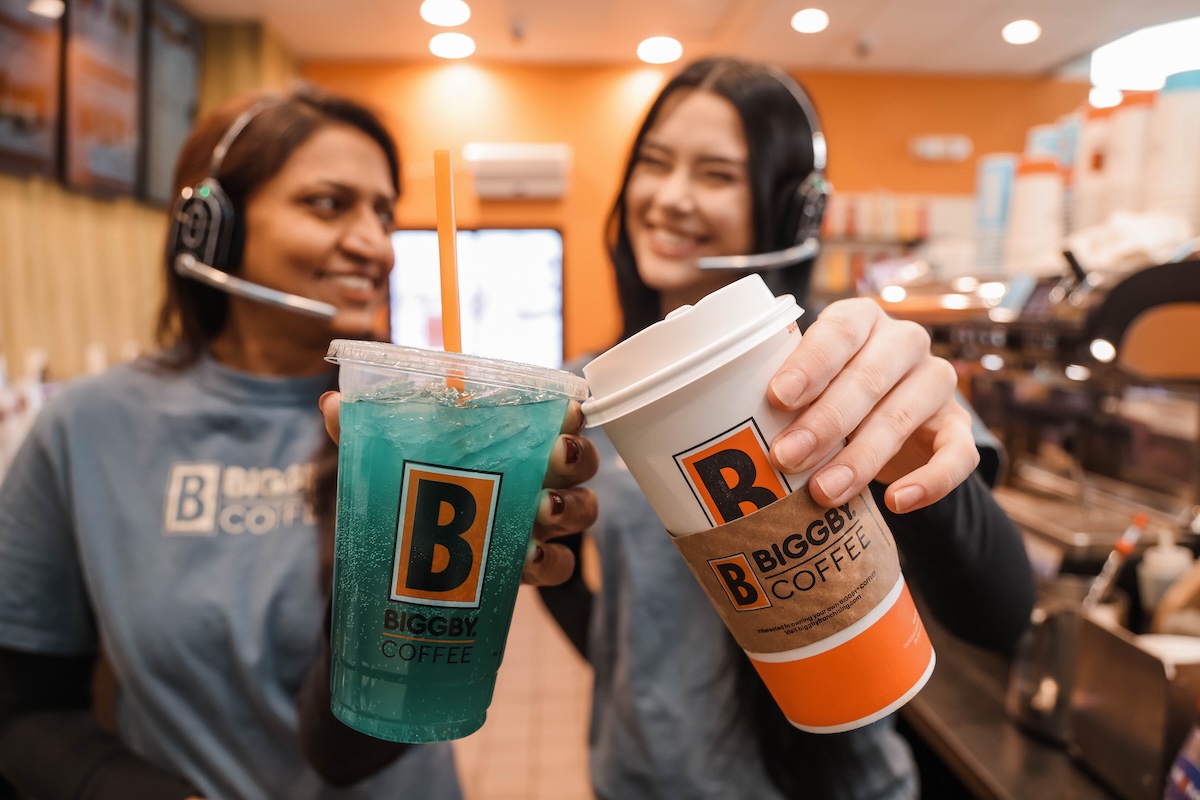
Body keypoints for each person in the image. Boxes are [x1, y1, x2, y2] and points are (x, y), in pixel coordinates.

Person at [0, 85, 598, 800]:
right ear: (213, 227)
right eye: (327, 204)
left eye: (383, 212)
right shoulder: (86, 428)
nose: (374, 244)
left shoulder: (424, 425)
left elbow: (346, 749)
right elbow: (23, 710)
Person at [539, 56, 1036, 799]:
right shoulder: (588, 394)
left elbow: (1001, 613)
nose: (669, 197)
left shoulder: (843, 367)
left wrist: (922, 477)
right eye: (655, 162)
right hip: (635, 782)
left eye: (716, 174)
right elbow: (558, 565)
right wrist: (631, 679)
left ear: (791, 208)